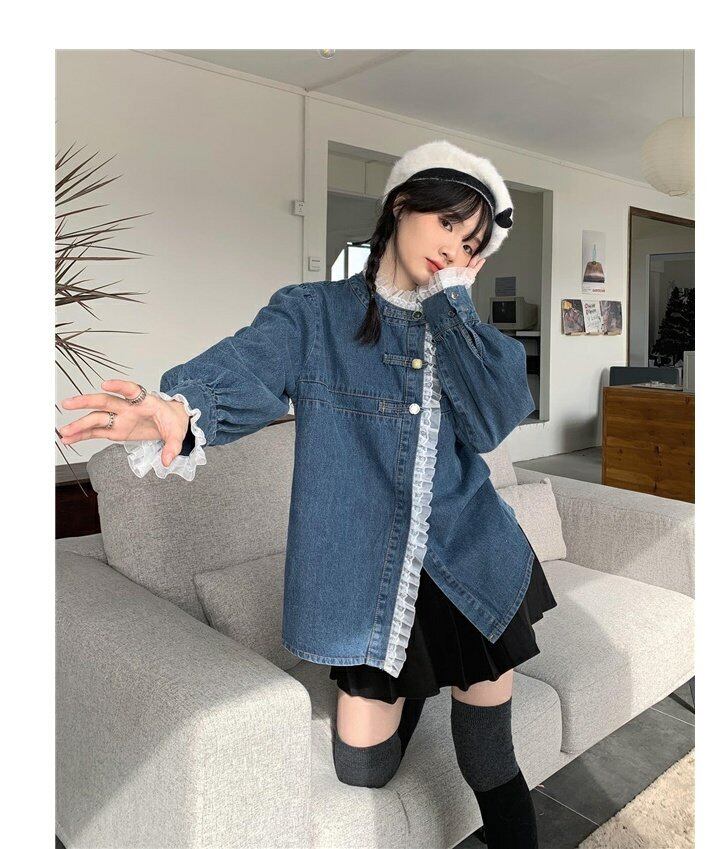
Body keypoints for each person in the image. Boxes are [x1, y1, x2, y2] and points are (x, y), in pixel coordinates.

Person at [59, 139, 557, 848]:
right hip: (365, 581)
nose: (455, 247)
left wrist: (453, 307)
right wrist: (177, 409)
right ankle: (414, 684)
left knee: (489, 759)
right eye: (447, 222)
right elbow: (249, 367)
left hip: (468, 561)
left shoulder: (463, 332)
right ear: (401, 205)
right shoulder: (313, 314)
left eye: (472, 243)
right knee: (363, 769)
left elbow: (490, 422)